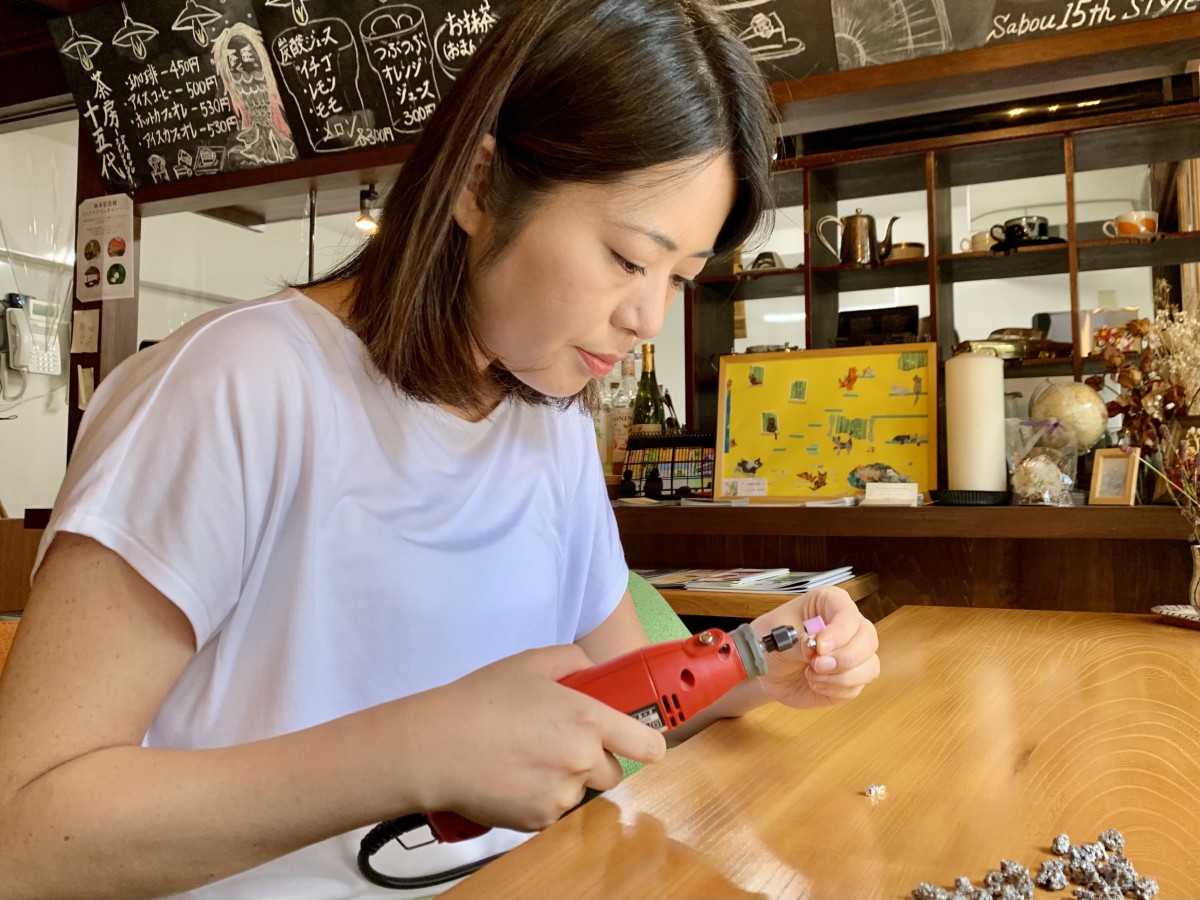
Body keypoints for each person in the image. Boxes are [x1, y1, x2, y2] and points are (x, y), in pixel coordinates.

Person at [0, 1, 880, 897]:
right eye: (625, 257)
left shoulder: (548, 418)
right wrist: (411, 752)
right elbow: (24, 832)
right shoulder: (232, 390)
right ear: (479, 184)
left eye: (678, 278)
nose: (648, 317)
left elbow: (627, 698)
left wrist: (754, 665)